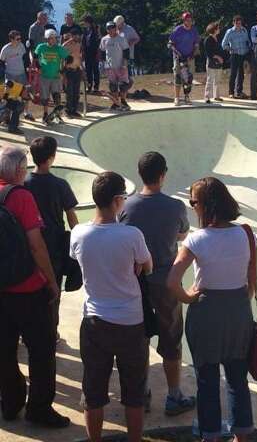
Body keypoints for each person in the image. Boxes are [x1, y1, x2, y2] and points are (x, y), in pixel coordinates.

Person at [167, 177, 257, 442]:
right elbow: (253, 279)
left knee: (207, 380)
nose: (192, 207)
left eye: (193, 202)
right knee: (237, 380)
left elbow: (172, 281)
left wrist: (188, 297)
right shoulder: (245, 233)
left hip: (206, 314)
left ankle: (211, 436)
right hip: (239, 310)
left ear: (204, 205)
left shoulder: (196, 240)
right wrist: (239, 300)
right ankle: (242, 436)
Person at [70, 171, 152, 442]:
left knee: (93, 391)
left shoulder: (79, 233)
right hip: (130, 321)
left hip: (94, 320)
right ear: (117, 200)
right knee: (134, 392)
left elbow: (77, 258)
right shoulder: (132, 235)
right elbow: (147, 267)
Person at [118, 152, 195, 416]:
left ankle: (140, 393)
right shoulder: (175, 207)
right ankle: (174, 395)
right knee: (171, 337)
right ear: (163, 175)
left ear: (140, 174)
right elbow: (183, 233)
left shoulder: (126, 206)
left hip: (135, 282)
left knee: (138, 334)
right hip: (166, 282)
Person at [0, 147, 70, 428]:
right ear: (18, 171)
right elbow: (36, 244)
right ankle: (39, 408)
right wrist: (51, 281)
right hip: (28, 288)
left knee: (4, 349)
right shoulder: (21, 196)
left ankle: (11, 400)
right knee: (41, 351)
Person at [25, 137, 79, 338]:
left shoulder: (24, 183)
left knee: (31, 285)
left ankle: (28, 329)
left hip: (29, 243)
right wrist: (79, 240)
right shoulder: (60, 184)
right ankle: (51, 330)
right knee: (53, 287)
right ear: (51, 158)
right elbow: (72, 217)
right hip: (54, 245)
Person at [35, 29, 68, 124]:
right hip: (44, 76)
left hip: (55, 76)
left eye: (55, 38)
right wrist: (38, 67)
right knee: (45, 97)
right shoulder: (41, 47)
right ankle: (45, 114)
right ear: (47, 39)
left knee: (57, 96)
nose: (54, 40)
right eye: (51, 38)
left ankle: (57, 116)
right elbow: (35, 56)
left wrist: (63, 70)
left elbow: (68, 58)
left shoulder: (59, 48)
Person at [0, 30, 35, 120]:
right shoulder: (5, 49)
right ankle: (6, 116)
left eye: (20, 38)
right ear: (11, 39)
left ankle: (26, 113)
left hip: (21, 74)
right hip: (10, 75)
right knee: (9, 95)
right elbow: (2, 61)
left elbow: (24, 57)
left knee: (26, 92)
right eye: (17, 39)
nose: (20, 40)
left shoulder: (21, 46)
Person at [169, 12, 200, 106]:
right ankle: (177, 98)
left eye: (190, 20)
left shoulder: (194, 30)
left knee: (189, 78)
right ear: (184, 21)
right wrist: (177, 53)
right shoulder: (178, 30)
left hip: (189, 57)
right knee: (178, 77)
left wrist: (193, 54)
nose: (189, 21)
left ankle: (187, 97)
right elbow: (170, 44)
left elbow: (196, 44)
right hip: (178, 57)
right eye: (187, 20)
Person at [100, 21, 131, 111]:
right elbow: (102, 52)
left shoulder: (121, 38)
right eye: (109, 28)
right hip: (110, 66)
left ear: (115, 28)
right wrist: (103, 64)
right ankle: (115, 102)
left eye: (112, 28)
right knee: (113, 86)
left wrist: (124, 64)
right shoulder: (104, 39)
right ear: (107, 30)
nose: (111, 30)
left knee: (123, 85)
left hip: (121, 65)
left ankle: (123, 101)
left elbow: (126, 51)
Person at [222, 15, 251, 99]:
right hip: (234, 55)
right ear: (233, 23)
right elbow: (223, 44)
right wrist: (230, 49)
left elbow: (247, 41)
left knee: (241, 74)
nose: (238, 24)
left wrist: (249, 46)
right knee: (233, 74)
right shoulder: (230, 32)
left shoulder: (244, 30)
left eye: (239, 23)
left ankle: (239, 92)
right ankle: (231, 92)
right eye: (236, 23)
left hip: (243, 55)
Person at [62, 28, 83, 117]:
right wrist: (62, 72)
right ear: (71, 35)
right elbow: (62, 59)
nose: (76, 36)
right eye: (74, 35)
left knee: (76, 92)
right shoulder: (65, 45)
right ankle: (68, 111)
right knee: (69, 92)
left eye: (77, 35)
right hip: (68, 71)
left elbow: (79, 57)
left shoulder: (79, 45)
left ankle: (74, 110)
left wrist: (82, 68)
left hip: (77, 69)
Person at [204, 23, 224, 104]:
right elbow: (209, 53)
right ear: (214, 30)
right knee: (210, 80)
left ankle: (217, 96)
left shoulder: (218, 38)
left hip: (218, 63)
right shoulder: (208, 39)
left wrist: (221, 58)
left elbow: (220, 50)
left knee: (217, 80)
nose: (219, 29)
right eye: (218, 28)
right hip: (211, 62)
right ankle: (207, 97)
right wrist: (218, 57)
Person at [82, 14, 100, 93]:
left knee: (95, 70)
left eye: (85, 22)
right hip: (87, 53)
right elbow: (84, 41)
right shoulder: (85, 31)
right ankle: (89, 87)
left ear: (88, 22)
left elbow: (99, 40)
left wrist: (98, 52)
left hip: (94, 52)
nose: (84, 24)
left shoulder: (96, 29)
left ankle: (96, 87)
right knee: (88, 70)